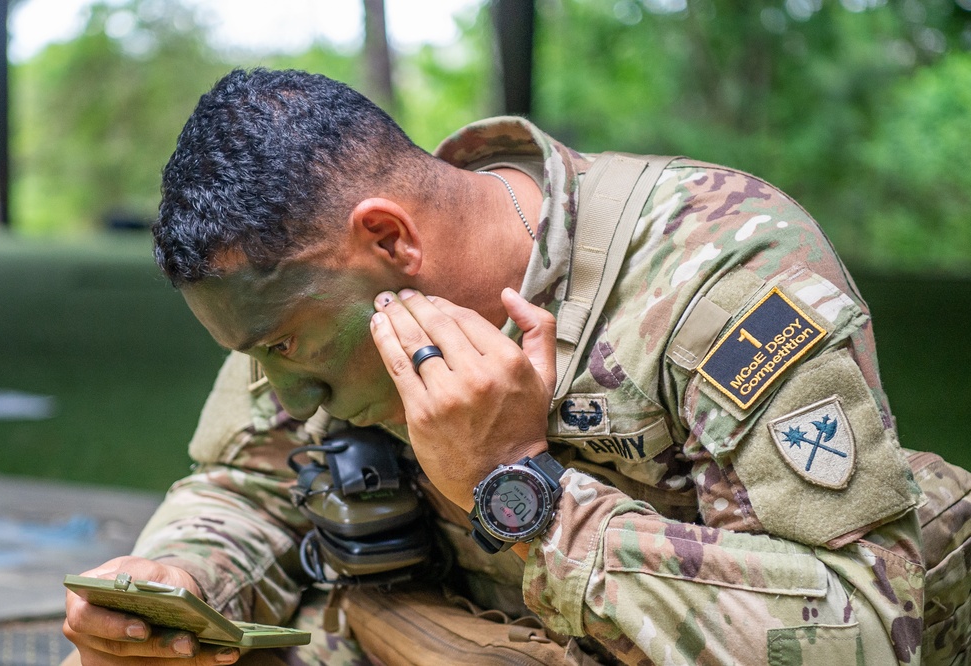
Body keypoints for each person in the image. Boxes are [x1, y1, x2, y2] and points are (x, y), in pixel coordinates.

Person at [63, 68, 936, 665]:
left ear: (389, 237)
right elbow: (249, 489)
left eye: (285, 347)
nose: (287, 393)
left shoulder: (714, 267)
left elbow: (860, 628)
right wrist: (180, 578)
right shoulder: (302, 304)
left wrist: (520, 489)